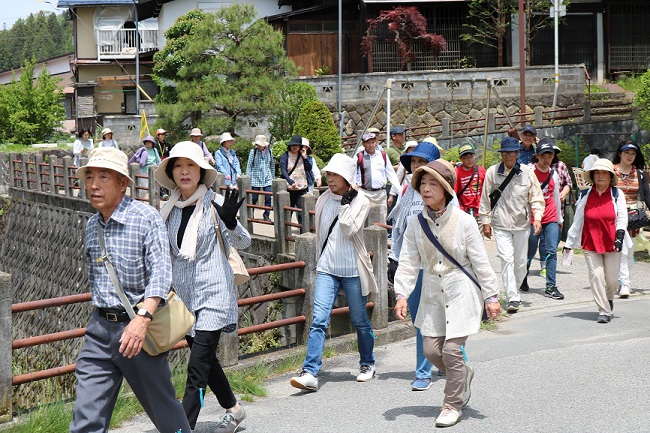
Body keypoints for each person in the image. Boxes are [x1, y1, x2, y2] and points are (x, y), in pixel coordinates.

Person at [69, 147, 191, 433]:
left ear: (123, 183)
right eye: (89, 177)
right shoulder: (91, 225)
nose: (94, 185)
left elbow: (161, 275)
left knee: (165, 412)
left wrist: (142, 319)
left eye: (103, 177)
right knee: (86, 418)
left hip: (139, 328)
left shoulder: (146, 218)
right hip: (99, 330)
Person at [394, 159, 501, 428]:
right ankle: (462, 374)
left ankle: (452, 404)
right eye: (423, 184)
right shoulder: (416, 223)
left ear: (445, 189)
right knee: (431, 351)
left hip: (459, 289)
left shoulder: (464, 221)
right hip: (432, 291)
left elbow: (480, 262)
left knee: (452, 350)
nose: (426, 189)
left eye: (433, 184)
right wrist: (402, 294)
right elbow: (408, 261)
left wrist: (491, 297)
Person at [154, 141, 251, 432]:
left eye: (191, 166)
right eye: (179, 166)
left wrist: (232, 223)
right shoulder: (168, 208)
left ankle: (182, 427)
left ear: (201, 171)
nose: (184, 172)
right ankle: (234, 409)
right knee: (205, 361)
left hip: (214, 294)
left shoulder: (217, 204)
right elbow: (163, 254)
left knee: (196, 369)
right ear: (171, 173)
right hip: (185, 298)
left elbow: (245, 242)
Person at [290, 153, 378, 392]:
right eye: (328, 174)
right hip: (328, 268)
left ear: (347, 177)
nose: (330, 179)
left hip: (351, 269)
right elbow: (320, 232)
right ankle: (309, 371)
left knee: (360, 321)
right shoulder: (323, 199)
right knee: (318, 319)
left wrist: (346, 203)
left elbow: (349, 228)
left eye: (335, 175)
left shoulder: (361, 201)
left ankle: (367, 362)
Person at [387, 141, 441, 391]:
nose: (417, 166)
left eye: (422, 162)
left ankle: (454, 360)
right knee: (420, 320)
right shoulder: (407, 193)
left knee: (447, 318)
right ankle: (423, 371)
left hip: (441, 267)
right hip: (416, 267)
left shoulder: (445, 194)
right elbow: (400, 230)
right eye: (414, 162)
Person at [479, 136, 545, 313]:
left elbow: (537, 198)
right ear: (501, 154)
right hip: (500, 224)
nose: (508, 156)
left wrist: (537, 218)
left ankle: (514, 288)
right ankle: (513, 297)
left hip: (522, 224)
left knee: (521, 263)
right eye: (505, 153)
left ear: (517, 153)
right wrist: (485, 222)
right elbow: (485, 199)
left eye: (512, 153)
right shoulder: (492, 172)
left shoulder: (527, 172)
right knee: (506, 260)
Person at [564, 158, 630, 323]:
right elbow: (578, 220)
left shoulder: (617, 194)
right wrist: (569, 244)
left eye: (604, 173)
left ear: (610, 176)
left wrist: (620, 237)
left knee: (613, 280)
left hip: (612, 242)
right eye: (597, 173)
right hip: (591, 242)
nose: (600, 176)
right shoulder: (585, 195)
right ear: (592, 176)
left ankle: (608, 298)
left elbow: (622, 217)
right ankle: (604, 311)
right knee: (596, 275)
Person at [521, 139, 565, 300]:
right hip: (532, 218)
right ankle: (522, 276)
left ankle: (551, 286)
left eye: (550, 156)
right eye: (543, 156)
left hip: (551, 216)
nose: (546, 160)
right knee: (530, 251)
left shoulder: (554, 174)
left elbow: (556, 197)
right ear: (537, 156)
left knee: (552, 251)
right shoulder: (529, 173)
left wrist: (560, 218)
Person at [611, 140, 650, 298]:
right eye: (627, 152)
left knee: (629, 251)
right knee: (623, 250)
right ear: (620, 153)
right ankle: (625, 284)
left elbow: (647, 195)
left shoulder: (639, 173)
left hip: (633, 218)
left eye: (633, 153)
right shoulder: (610, 171)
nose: (630, 156)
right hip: (615, 216)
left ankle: (620, 281)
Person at [355, 132, 401, 222]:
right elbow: (353, 173)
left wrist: (399, 190)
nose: (371, 145)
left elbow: (390, 173)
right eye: (368, 143)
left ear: (376, 142)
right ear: (364, 144)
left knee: (381, 220)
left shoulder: (382, 155)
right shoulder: (359, 157)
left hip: (380, 194)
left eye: (373, 142)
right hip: (364, 193)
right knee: (363, 220)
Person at [279, 134, 312, 225]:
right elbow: (283, 170)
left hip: (302, 187)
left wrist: (305, 157)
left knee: (302, 211)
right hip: (290, 188)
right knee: (288, 211)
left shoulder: (303, 156)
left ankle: (303, 231)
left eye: (297, 145)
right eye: (293, 145)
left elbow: (309, 168)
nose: (294, 147)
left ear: (300, 146)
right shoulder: (286, 155)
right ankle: (286, 233)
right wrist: (290, 181)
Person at [246, 134, 275, 222]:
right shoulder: (253, 152)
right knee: (254, 197)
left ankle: (266, 215)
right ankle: (251, 213)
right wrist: (248, 177)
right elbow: (249, 165)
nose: (259, 146)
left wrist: (272, 176)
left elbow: (272, 164)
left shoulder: (269, 151)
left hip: (267, 177)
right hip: (255, 177)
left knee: (268, 197)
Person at [454, 144, 486, 220]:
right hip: (463, 211)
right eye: (465, 158)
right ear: (461, 159)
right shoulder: (457, 173)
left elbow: (487, 190)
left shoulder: (481, 171)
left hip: (480, 211)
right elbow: (454, 193)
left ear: (474, 155)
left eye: (471, 157)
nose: (469, 160)